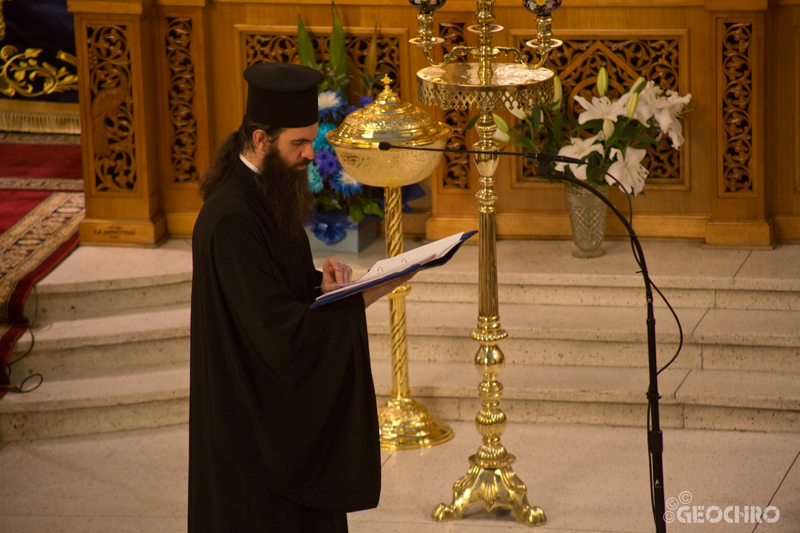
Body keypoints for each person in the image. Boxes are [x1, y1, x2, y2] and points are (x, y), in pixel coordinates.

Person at [189, 62, 410, 532]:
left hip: (269, 418)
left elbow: (272, 290)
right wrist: (361, 297)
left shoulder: (266, 191)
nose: (312, 153)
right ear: (260, 141)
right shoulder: (230, 217)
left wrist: (321, 287)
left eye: (314, 140)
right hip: (252, 438)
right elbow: (275, 335)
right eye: (299, 143)